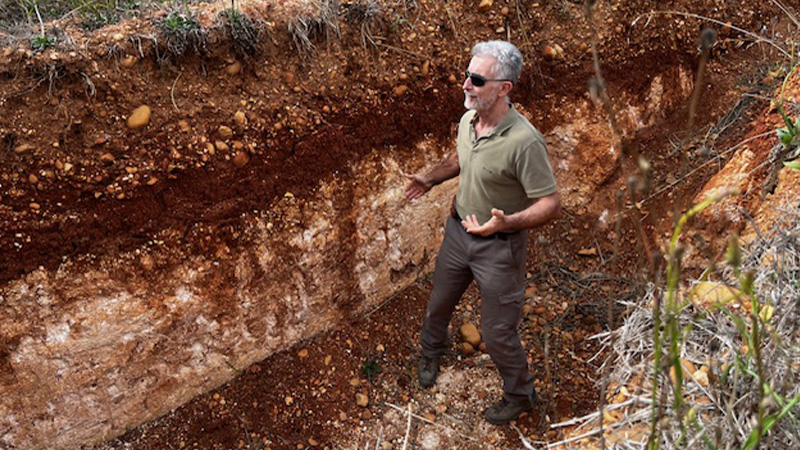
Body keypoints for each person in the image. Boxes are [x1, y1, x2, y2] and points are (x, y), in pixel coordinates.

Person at [404, 40, 560, 425]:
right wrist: (429, 179)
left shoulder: (525, 142)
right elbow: (461, 158)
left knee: (498, 331)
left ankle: (520, 394)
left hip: (499, 248)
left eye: (476, 79)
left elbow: (550, 203)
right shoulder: (468, 120)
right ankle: (430, 352)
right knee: (439, 302)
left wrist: (507, 223)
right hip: (458, 235)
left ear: (504, 87)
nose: (466, 85)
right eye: (466, 75)